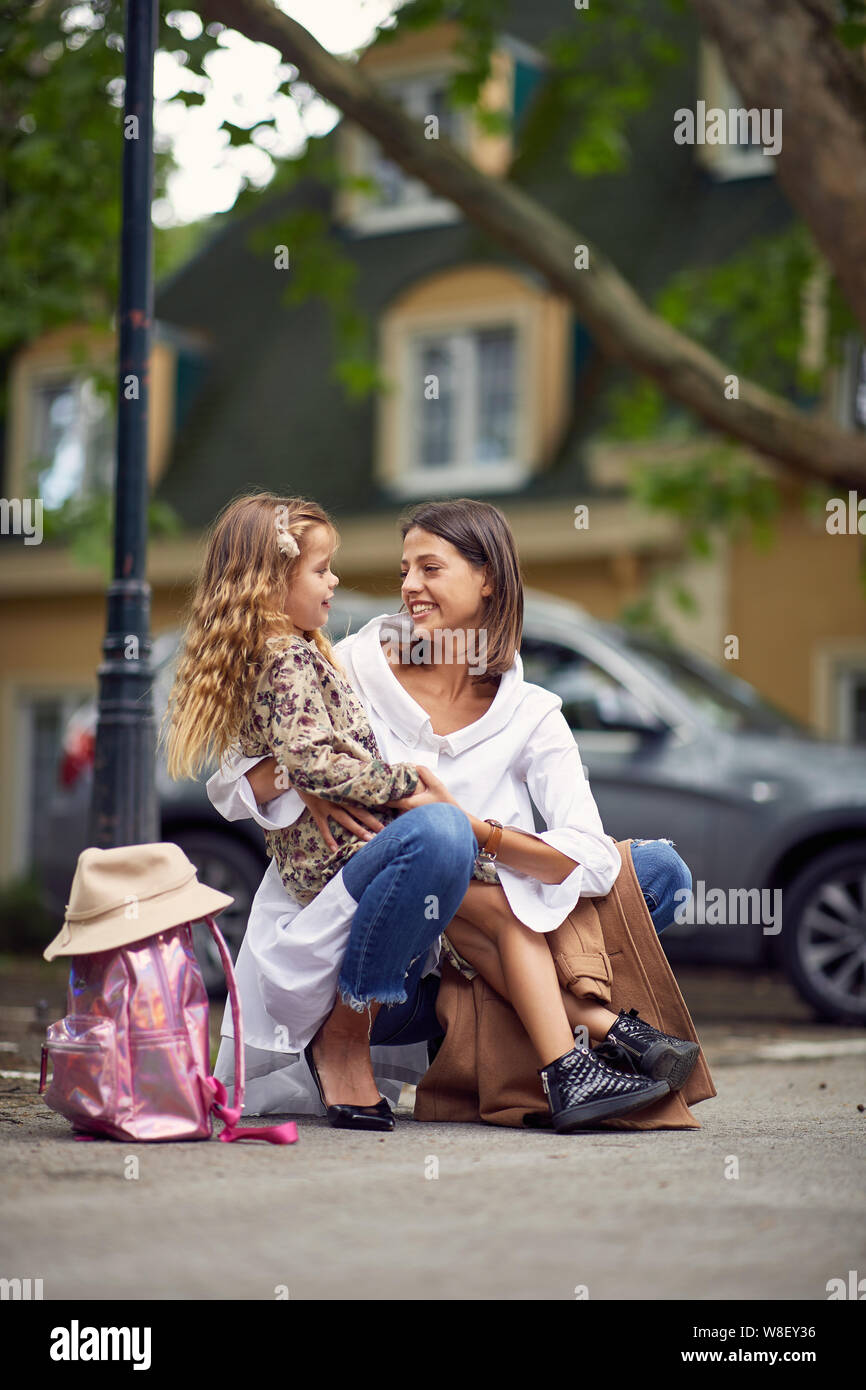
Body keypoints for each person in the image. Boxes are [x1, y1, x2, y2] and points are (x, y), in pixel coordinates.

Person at [200, 494, 699, 1132]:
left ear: (487, 577)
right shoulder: (349, 663)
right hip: (382, 959)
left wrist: (483, 835)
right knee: (438, 844)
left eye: (429, 569)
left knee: (656, 871)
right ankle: (593, 1032)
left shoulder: (533, 713)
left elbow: (594, 858)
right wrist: (302, 773)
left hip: (475, 941)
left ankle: (518, 1041)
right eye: (405, 569)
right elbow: (230, 788)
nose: (408, 587)